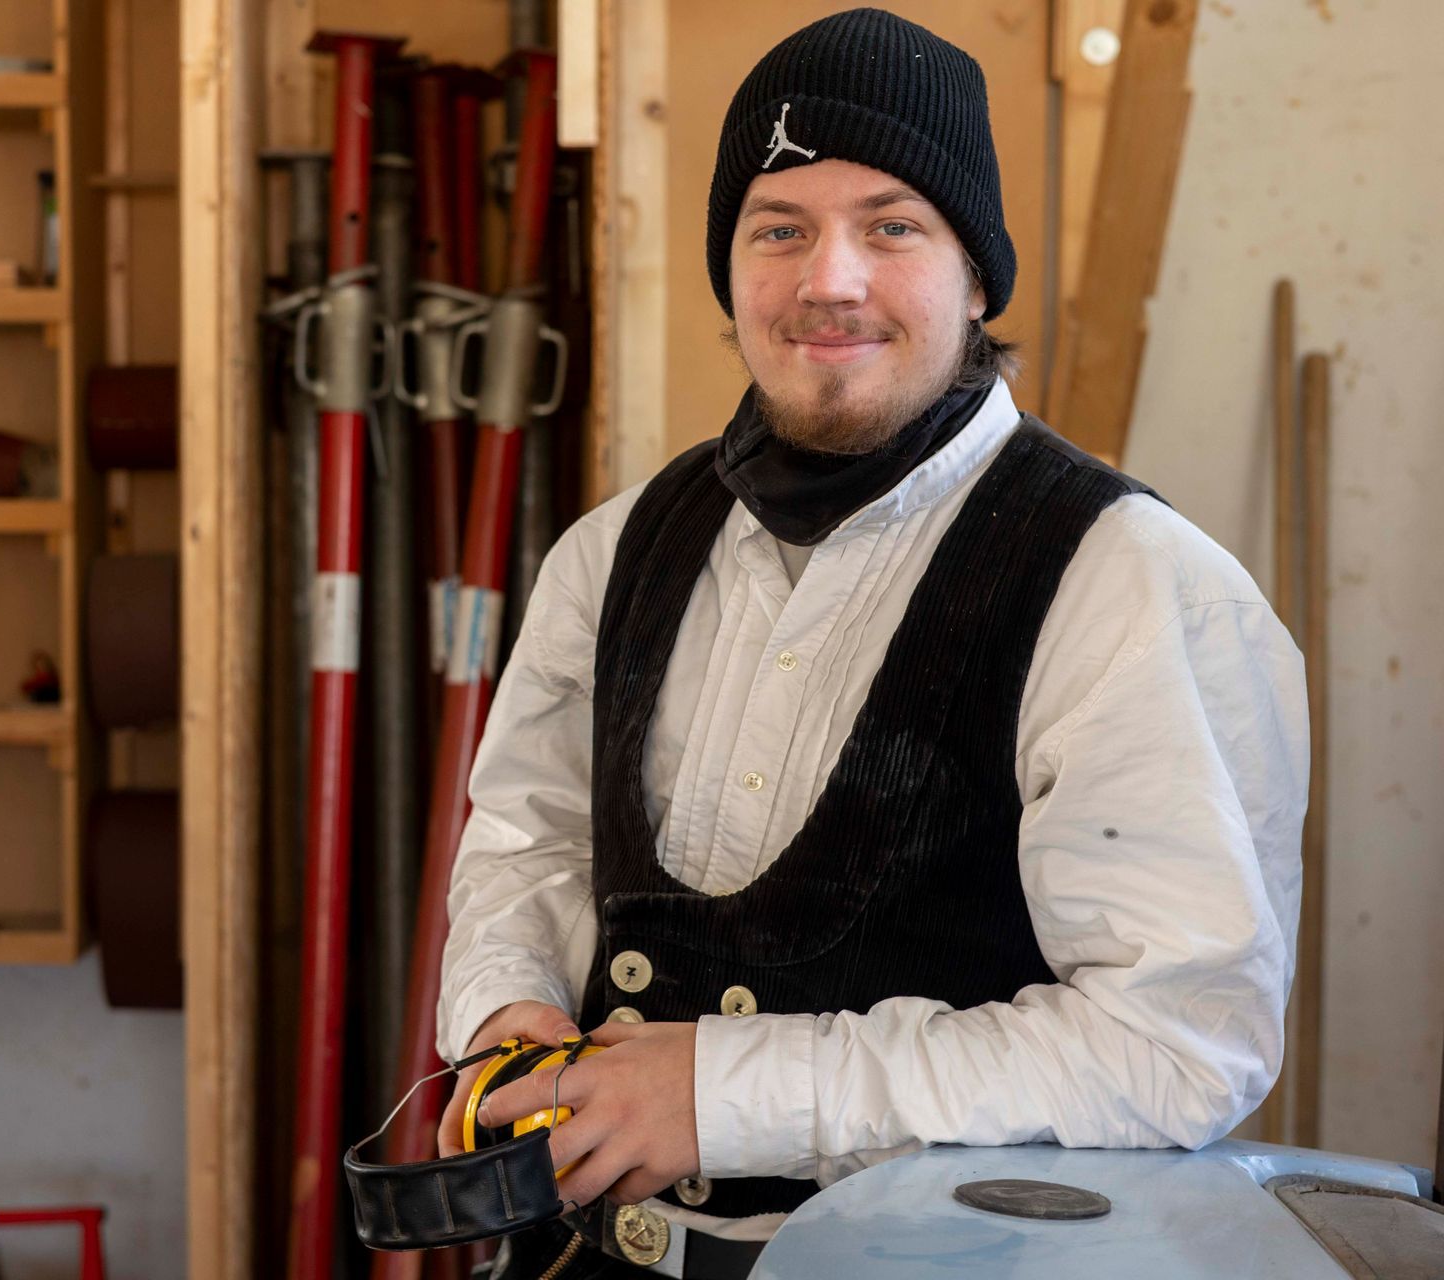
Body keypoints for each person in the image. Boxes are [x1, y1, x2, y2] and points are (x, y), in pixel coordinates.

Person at [432, 9, 1308, 1278]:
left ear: (974, 274)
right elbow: (530, 840)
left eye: (893, 226)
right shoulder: (612, 552)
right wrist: (509, 1010)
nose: (826, 279)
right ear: (730, 269)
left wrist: (724, 1089)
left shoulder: (1128, 587)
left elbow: (1175, 1047)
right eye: (777, 227)